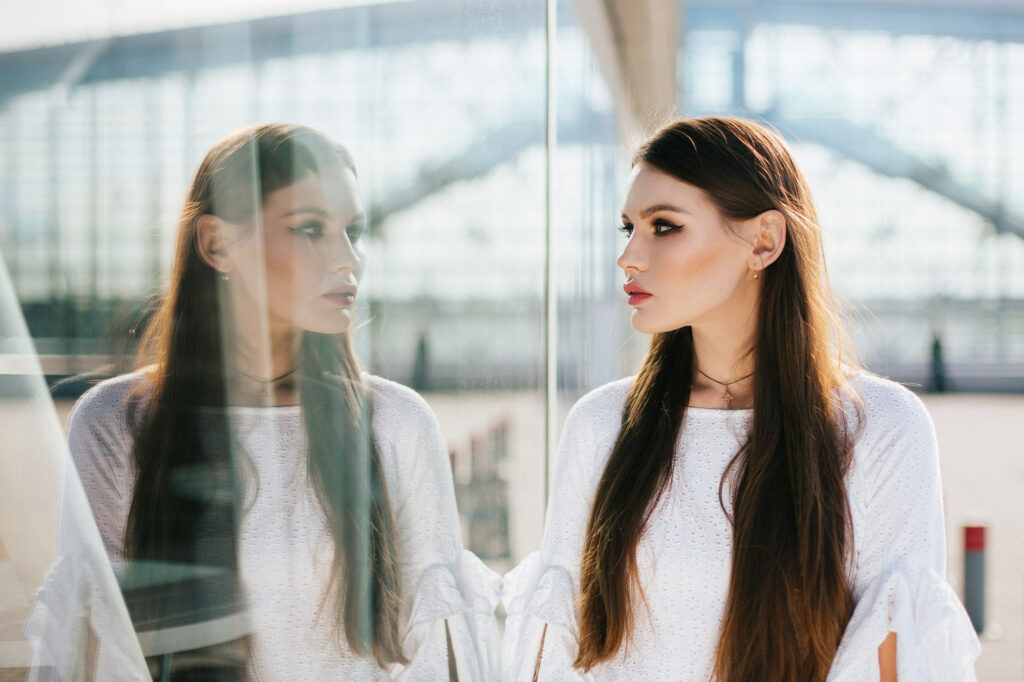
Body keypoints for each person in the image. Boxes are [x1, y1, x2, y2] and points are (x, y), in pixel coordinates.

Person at [502, 117, 980, 681]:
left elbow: (894, 663)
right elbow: (558, 658)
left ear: (764, 241)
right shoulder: (603, 424)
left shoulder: (880, 427)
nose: (628, 256)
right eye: (627, 227)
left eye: (664, 226)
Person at [28, 123, 498, 680]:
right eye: (310, 229)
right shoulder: (117, 423)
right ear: (217, 244)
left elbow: (438, 661)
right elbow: (100, 656)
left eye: (355, 230)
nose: (348, 259)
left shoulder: (394, 424)